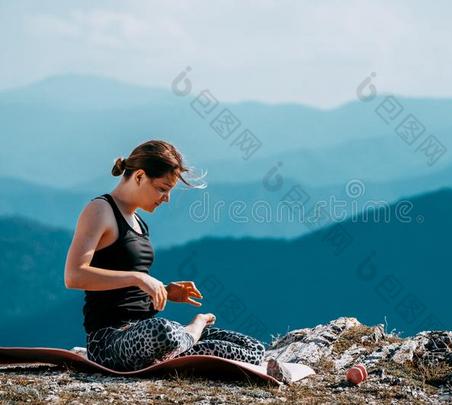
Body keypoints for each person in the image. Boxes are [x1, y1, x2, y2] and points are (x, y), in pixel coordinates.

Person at [63, 140, 286, 377]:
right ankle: (193, 330)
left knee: (253, 350)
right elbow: (74, 275)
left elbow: (126, 290)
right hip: (110, 341)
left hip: (147, 336)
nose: (167, 198)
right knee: (162, 332)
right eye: (162, 188)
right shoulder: (100, 210)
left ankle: (182, 345)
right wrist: (139, 278)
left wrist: (165, 291)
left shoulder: (139, 222)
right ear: (139, 176)